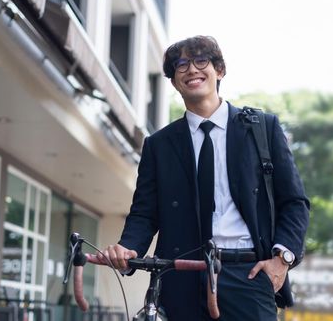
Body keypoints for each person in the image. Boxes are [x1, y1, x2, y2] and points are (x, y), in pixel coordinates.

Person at [99, 35, 310, 320]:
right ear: (173, 81)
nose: (191, 69)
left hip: (247, 274)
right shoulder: (159, 145)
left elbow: (294, 202)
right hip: (180, 276)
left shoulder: (263, 129)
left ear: (219, 70)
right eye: (181, 65)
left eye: (201, 60)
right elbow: (144, 214)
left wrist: (281, 260)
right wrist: (127, 249)